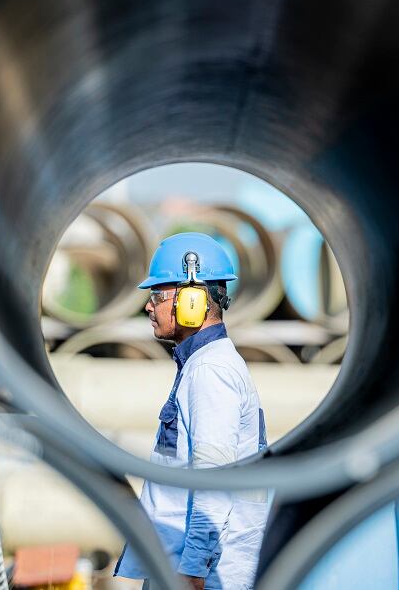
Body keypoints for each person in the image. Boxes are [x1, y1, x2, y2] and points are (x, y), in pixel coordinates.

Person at [114, 232, 270, 590]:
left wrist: (194, 570)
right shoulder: (203, 365)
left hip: (199, 575)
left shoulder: (210, 372)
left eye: (157, 296)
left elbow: (214, 480)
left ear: (192, 301)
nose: (149, 307)